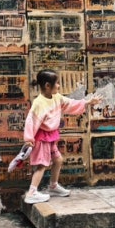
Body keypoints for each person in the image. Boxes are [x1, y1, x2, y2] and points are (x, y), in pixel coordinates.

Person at [23, 69, 87, 204]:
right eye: (57, 83)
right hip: (42, 138)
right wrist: (29, 139)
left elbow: (70, 103)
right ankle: (31, 193)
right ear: (47, 85)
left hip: (51, 135)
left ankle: (53, 186)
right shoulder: (39, 103)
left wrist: (87, 102)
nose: (59, 85)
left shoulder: (57, 97)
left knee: (58, 160)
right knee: (41, 165)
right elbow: (31, 121)